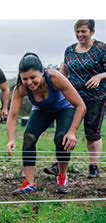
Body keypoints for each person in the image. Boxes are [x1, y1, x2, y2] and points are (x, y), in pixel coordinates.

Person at [6, 53, 86, 195]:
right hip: (42, 110)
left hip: (64, 108)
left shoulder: (55, 78)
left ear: (42, 72)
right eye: (25, 79)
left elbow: (81, 105)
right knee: (29, 137)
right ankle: (29, 183)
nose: (29, 82)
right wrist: (11, 139)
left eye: (33, 78)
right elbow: (12, 116)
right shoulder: (20, 89)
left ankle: (62, 177)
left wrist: (72, 131)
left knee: (61, 137)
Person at [48, 20, 105, 178]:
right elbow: (64, 71)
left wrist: (100, 76)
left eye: (84, 31)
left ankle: (93, 166)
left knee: (92, 132)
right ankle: (59, 164)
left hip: (96, 97)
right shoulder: (69, 51)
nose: (80, 34)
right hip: (72, 97)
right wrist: (55, 86)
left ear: (92, 32)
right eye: (77, 31)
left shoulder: (101, 49)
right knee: (65, 130)